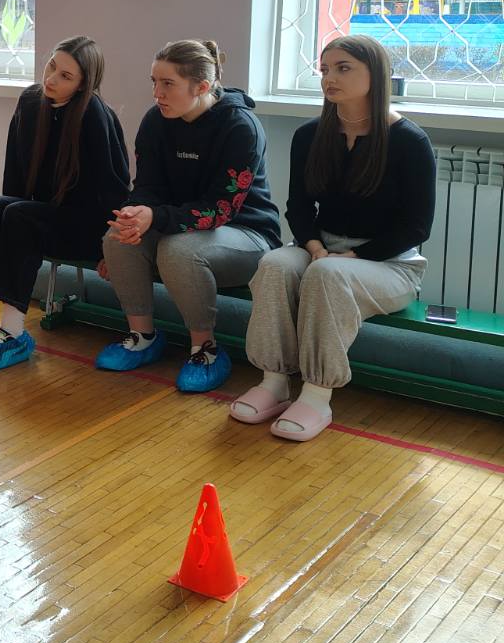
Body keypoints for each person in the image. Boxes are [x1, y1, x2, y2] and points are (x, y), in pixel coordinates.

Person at [231, 36, 434, 441]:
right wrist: (316, 248)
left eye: (343, 68)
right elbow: (298, 207)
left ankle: (316, 394)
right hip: (321, 249)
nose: (329, 78)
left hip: (389, 264)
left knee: (327, 276)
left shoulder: (410, 142)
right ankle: (273, 382)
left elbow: (416, 227)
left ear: (375, 75)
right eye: (324, 70)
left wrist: (350, 257)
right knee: (274, 264)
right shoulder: (310, 135)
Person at [98, 39, 282, 393]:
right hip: (180, 227)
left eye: (168, 84)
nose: (157, 93)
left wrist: (155, 217)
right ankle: (142, 336)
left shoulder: (240, 127)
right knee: (117, 237)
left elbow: (220, 209)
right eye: (154, 81)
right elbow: (147, 186)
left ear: (201, 87)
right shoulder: (156, 120)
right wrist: (135, 213)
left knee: (178, 250)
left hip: (246, 234)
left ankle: (205, 349)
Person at [0, 36, 130, 370]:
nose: (51, 79)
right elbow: (14, 175)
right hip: (42, 217)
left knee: (19, 216)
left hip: (87, 226)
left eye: (65, 76)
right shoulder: (30, 102)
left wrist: (111, 245)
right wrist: (2, 218)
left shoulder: (93, 114)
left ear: (83, 84)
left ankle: (13, 330)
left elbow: (114, 189)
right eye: (51, 66)